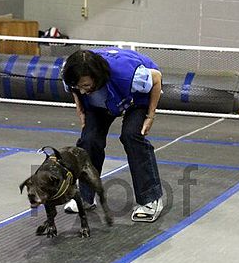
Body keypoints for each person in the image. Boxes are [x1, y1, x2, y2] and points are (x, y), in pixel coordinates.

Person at [61, 47, 163, 222]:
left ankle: (151, 199)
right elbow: (75, 89)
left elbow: (156, 79)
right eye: (79, 86)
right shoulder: (71, 73)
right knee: (89, 140)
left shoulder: (127, 75)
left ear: (97, 76)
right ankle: (85, 197)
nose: (83, 90)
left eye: (86, 85)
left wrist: (150, 116)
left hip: (135, 97)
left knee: (131, 136)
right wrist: (80, 109)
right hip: (100, 102)